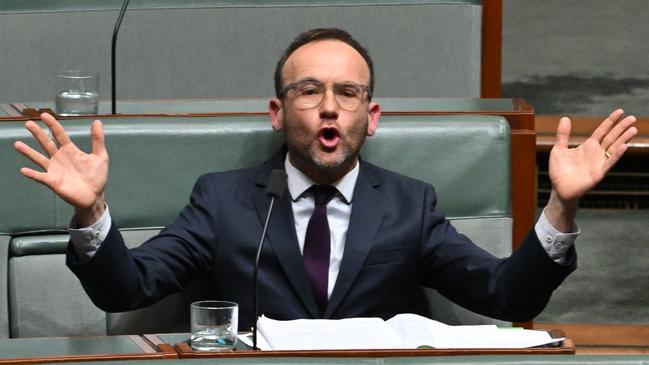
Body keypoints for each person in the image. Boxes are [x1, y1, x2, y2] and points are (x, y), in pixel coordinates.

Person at [14, 28, 637, 329]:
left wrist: (559, 207)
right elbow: (128, 290)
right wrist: (91, 212)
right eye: (309, 91)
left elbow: (508, 297)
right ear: (278, 113)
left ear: (372, 114)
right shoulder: (222, 199)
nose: (330, 107)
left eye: (348, 92)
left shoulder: (408, 204)